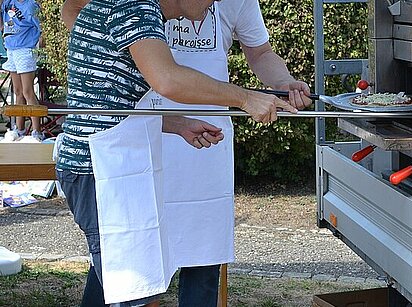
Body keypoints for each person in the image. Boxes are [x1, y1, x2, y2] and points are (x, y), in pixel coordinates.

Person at [57, 0, 299, 306]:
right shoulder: (136, 7)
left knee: (133, 291)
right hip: (102, 168)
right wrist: (244, 98)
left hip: (110, 161)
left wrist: (176, 124)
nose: (214, 3)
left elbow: (113, 102)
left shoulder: (136, 7)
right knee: (132, 292)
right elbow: (167, 79)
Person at [0, 0, 44, 141]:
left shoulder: (30, 5)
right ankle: (19, 129)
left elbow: (42, 28)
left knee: (27, 91)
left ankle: (37, 131)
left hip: (25, 49)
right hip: (11, 49)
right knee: (17, 91)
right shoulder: (7, 3)